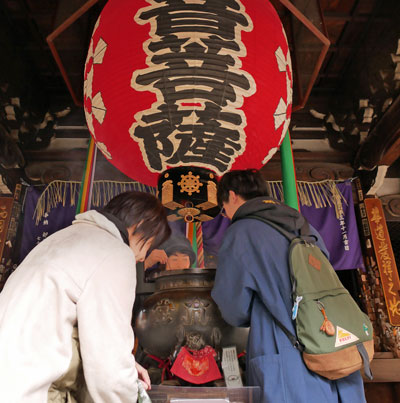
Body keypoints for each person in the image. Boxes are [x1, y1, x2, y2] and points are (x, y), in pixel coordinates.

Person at [211, 169, 366, 403]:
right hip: (331, 343)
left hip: (285, 351)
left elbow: (233, 308)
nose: (226, 215)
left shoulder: (242, 232)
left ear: (232, 196)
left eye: (223, 209)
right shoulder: (304, 226)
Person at [0, 191, 171, 403]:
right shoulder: (113, 251)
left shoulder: (62, 239)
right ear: (141, 224)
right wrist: (129, 390)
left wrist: (126, 366)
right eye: (150, 244)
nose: (143, 257)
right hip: (36, 390)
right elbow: (109, 370)